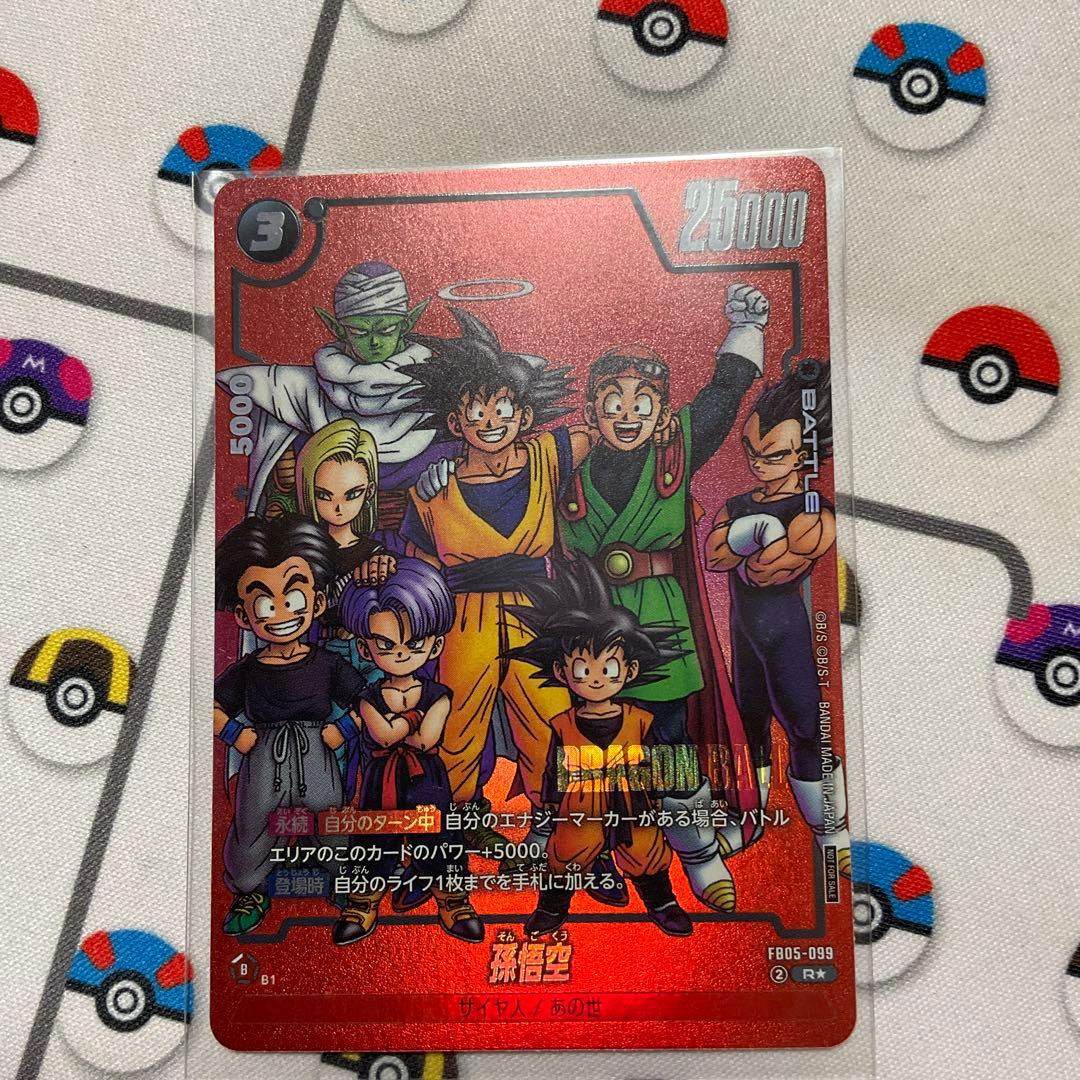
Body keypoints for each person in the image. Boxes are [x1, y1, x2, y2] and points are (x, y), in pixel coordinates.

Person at [553, 283, 770, 913]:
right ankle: (603, 854)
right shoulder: (563, 467)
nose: (627, 413)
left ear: (662, 413)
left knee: (671, 743)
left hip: (661, 620)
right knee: (596, 747)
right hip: (592, 628)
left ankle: (698, 854)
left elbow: (724, 394)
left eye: (642, 402)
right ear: (592, 411)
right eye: (613, 401)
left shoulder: (676, 454)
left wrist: (745, 326)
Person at [398, 308, 595, 859]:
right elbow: (419, 561)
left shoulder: (547, 456)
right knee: (459, 721)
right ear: (456, 423)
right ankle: (462, 822)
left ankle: (554, 821)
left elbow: (599, 432)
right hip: (465, 617)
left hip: (537, 609)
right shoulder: (433, 487)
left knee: (548, 715)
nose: (489, 420)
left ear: (523, 415)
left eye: (502, 408)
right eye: (475, 411)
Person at [705, 360, 850, 875]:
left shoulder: (814, 512)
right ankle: (747, 819)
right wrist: (757, 533)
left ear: (802, 454)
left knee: (807, 726)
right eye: (752, 452)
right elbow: (714, 556)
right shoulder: (738, 502)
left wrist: (751, 539)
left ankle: (831, 829)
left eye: (774, 455)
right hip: (745, 637)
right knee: (747, 726)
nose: (759, 464)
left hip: (786, 635)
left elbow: (766, 570)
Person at [506, 559, 693, 937]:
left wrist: (659, 796)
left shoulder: (640, 720)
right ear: (562, 672)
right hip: (579, 806)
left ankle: (663, 903)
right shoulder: (564, 723)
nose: (595, 679)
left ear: (629, 671)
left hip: (633, 804)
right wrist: (550, 802)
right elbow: (554, 767)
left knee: (646, 853)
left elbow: (655, 761)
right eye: (582, 670)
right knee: (565, 854)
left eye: (607, 670)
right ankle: (551, 908)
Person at [212, 515, 368, 935]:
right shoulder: (247, 670)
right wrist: (236, 735)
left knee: (330, 820)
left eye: (294, 597)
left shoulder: (326, 663)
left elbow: (367, 701)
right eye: (264, 604)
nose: (280, 613)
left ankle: (342, 880)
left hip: (317, 752)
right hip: (263, 754)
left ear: (317, 602)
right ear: (243, 614)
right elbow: (210, 706)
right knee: (254, 824)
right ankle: (250, 890)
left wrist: (343, 729)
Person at [216, 261, 453, 536]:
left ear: (407, 323)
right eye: (360, 332)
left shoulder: (440, 392)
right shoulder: (296, 391)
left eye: (386, 329)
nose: (374, 342)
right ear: (336, 328)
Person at [331, 559, 485, 945]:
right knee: (372, 844)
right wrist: (413, 719)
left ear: (434, 645)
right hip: (379, 783)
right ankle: (362, 903)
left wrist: (403, 723)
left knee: (441, 840)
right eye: (385, 645)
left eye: (413, 644)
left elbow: (427, 741)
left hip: (427, 781)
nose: (400, 654)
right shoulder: (367, 696)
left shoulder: (438, 694)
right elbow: (384, 738)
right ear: (365, 647)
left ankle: (453, 901)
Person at [295, 418, 396, 675]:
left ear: (369, 492)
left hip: (370, 650)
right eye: (324, 495)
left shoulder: (375, 553)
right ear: (309, 492)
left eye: (352, 494)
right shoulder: (304, 552)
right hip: (322, 650)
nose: (338, 507)